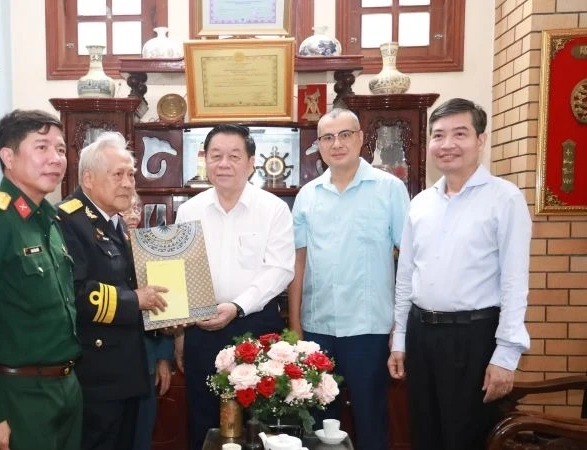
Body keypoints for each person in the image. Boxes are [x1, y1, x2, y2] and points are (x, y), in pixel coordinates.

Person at [387, 98, 532, 450]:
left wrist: (505, 356)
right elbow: (406, 277)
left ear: (480, 139)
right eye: (438, 135)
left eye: (460, 134)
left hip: (474, 338)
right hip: (423, 336)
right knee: (424, 433)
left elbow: (515, 283)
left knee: (466, 438)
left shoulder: (505, 199)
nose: (447, 144)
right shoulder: (421, 202)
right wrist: (400, 341)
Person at [0, 109, 81, 450]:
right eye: (42, 148)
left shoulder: (49, 220)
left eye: (61, 149)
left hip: (66, 389)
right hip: (19, 396)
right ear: (7, 156)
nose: (56, 159)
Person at [288, 108, 410, 450]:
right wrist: (296, 324)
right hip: (317, 327)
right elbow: (298, 261)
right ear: (319, 145)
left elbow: (410, 261)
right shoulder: (308, 196)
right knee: (317, 421)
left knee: (371, 418)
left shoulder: (389, 189)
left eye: (345, 135)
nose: (336, 143)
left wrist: (399, 330)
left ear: (360, 138)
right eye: (327, 137)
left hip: (369, 329)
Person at [174, 124, 295, 450]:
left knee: (260, 420)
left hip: (255, 327)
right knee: (204, 417)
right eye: (216, 156)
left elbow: (280, 269)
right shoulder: (188, 211)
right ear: (205, 160)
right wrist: (181, 334)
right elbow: (181, 274)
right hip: (203, 328)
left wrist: (237, 306)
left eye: (233, 156)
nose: (224, 163)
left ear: (251, 162)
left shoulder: (273, 209)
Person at [56, 132, 168, 450]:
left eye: (131, 174)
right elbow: (74, 294)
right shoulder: (68, 220)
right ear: (88, 179)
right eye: (117, 174)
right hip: (96, 374)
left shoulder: (112, 221)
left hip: (125, 370)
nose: (128, 183)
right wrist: (137, 300)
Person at [122, 192, 175, 450]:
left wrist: (164, 357)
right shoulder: (99, 246)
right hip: (109, 360)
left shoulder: (154, 249)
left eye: (136, 208)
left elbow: (166, 306)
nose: (132, 215)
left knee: (143, 431)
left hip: (147, 356)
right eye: (126, 209)